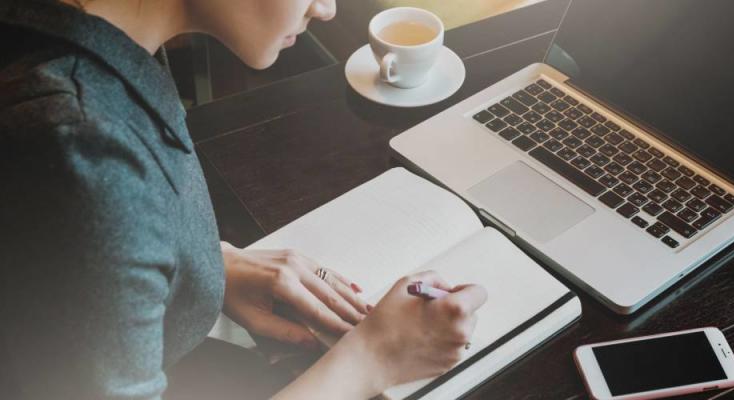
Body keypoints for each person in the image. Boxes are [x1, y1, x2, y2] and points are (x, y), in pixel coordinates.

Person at [0, 0, 487, 399]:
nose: (328, 8)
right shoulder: (81, 150)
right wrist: (373, 359)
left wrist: (195, 264)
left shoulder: (87, 43)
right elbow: (88, 193)